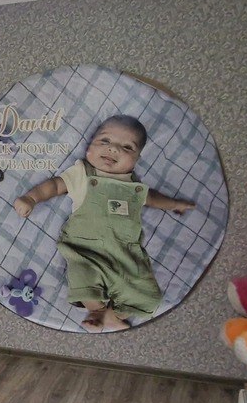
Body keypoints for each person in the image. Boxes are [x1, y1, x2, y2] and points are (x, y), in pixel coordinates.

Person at [13, 115, 193, 331]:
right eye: (105, 141)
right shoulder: (83, 173)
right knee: (82, 277)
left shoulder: (133, 184)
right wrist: (31, 198)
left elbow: (151, 198)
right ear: (90, 146)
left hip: (125, 255)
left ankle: (114, 315)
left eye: (127, 147)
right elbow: (55, 185)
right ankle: (97, 311)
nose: (113, 149)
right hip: (84, 250)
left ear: (136, 159)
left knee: (147, 295)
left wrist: (174, 204)